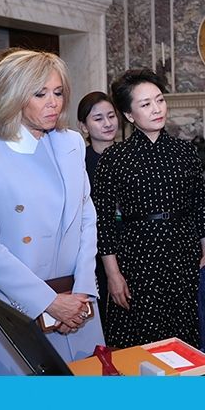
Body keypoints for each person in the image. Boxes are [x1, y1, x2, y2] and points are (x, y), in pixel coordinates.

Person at [0, 47, 103, 374]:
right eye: (40, 93)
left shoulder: (72, 143)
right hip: (14, 304)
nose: (54, 103)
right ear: (14, 95)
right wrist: (49, 303)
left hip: (76, 303)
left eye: (58, 92)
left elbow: (87, 220)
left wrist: (82, 291)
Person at [92, 71, 205, 348]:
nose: (157, 109)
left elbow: (200, 207)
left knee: (188, 341)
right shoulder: (114, 158)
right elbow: (104, 223)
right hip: (138, 259)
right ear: (129, 114)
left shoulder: (185, 152)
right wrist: (113, 274)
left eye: (159, 100)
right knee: (143, 346)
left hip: (184, 256)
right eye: (146, 104)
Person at [77, 87, 121, 344]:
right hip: (93, 251)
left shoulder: (129, 156)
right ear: (84, 127)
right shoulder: (78, 163)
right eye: (98, 118)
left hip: (130, 245)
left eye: (111, 116)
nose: (107, 123)